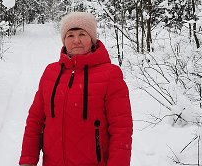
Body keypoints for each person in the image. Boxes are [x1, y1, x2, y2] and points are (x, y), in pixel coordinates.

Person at [19, 12, 133, 166]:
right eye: (70, 35)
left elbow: (121, 130)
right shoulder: (50, 73)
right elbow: (35, 121)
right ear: (64, 40)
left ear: (92, 39)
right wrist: (28, 160)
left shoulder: (111, 74)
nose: (76, 40)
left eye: (82, 34)